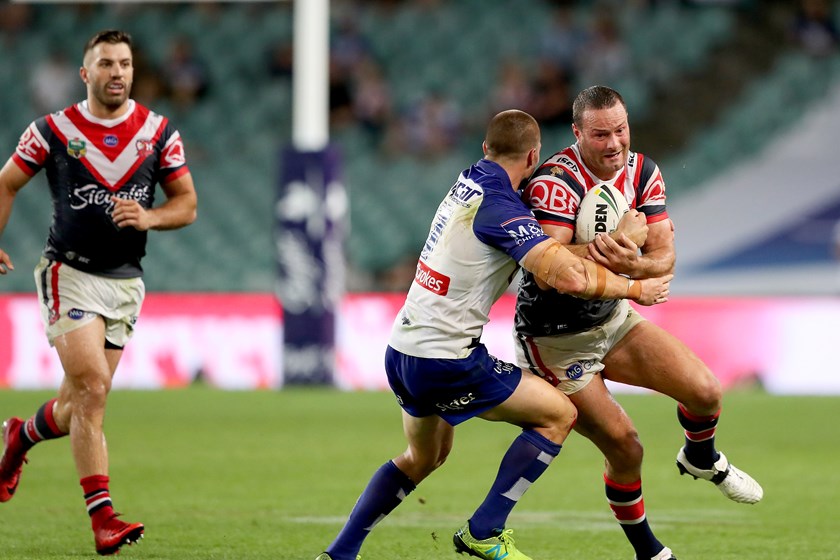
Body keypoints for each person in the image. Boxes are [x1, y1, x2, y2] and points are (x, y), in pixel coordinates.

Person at [315, 109, 672, 560]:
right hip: (447, 359)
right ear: (534, 156)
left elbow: (550, 252)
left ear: (486, 149)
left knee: (423, 457)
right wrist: (635, 285)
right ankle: (485, 530)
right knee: (559, 415)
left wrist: (582, 245)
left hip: (402, 349)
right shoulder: (503, 209)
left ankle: (339, 553)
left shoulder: (469, 180)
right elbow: (566, 275)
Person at [514, 85, 764, 560]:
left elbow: (664, 257)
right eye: (601, 134)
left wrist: (629, 262)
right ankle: (649, 551)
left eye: (621, 130)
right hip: (556, 341)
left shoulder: (643, 171)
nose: (614, 144)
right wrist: (618, 250)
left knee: (706, 392)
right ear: (577, 133)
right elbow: (550, 273)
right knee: (627, 447)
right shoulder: (555, 182)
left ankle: (700, 457)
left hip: (613, 320)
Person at [0, 29, 197, 556]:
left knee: (76, 405)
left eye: (125, 64)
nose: (117, 72)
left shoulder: (158, 132)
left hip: (126, 283)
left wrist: (150, 216)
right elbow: (6, 182)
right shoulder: (53, 130)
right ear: (85, 73)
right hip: (69, 273)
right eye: (106, 63)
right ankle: (103, 518)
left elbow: (187, 204)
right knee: (92, 390)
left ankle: (20, 435)